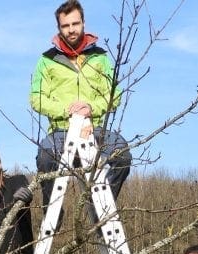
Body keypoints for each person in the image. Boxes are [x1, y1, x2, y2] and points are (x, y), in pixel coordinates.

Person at [31, 0, 131, 208]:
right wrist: (67, 110)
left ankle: (98, 210)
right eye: (65, 26)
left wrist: (90, 107)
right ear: (59, 28)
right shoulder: (46, 60)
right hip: (61, 131)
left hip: (95, 130)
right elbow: (37, 98)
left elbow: (115, 95)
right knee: (45, 157)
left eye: (75, 24)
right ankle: (52, 213)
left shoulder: (100, 58)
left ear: (83, 23)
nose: (71, 30)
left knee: (122, 154)